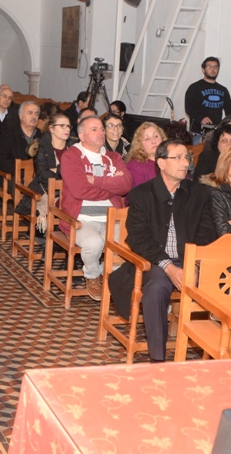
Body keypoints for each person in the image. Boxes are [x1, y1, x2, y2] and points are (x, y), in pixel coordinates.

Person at [109, 140, 215, 362]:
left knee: (222, 280)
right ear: (161, 163)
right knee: (158, 286)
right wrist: (168, 266)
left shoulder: (199, 193)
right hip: (154, 260)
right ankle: (158, 359)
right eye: (178, 158)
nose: (185, 163)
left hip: (190, 259)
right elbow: (138, 238)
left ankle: (218, 352)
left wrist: (194, 265)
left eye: (187, 157)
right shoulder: (142, 194)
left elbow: (206, 233)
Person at [59, 116, 132, 300]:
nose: (101, 133)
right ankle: (92, 276)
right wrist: (111, 187)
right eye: (94, 129)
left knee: (126, 243)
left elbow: (125, 185)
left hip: (112, 217)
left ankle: (112, 278)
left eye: (101, 129)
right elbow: (80, 190)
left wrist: (97, 181)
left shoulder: (114, 157)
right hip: (81, 219)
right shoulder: (71, 156)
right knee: (94, 243)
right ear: (81, 136)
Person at [184, 56, 231, 135]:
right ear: (203, 70)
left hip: (216, 132)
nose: (213, 70)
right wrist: (201, 119)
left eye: (215, 67)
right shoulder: (194, 87)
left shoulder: (223, 90)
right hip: (197, 133)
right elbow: (189, 108)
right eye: (209, 67)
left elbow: (229, 109)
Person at [0, 101, 41, 180]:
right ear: (21, 116)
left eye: (36, 114)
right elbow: (3, 161)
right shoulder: (8, 135)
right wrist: (24, 173)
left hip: (37, 177)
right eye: (30, 113)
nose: (34, 117)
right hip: (13, 176)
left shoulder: (42, 136)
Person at [125, 122, 167, 188]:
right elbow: (140, 193)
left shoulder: (171, 159)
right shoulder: (135, 166)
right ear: (140, 145)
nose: (154, 141)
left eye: (156, 136)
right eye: (147, 139)